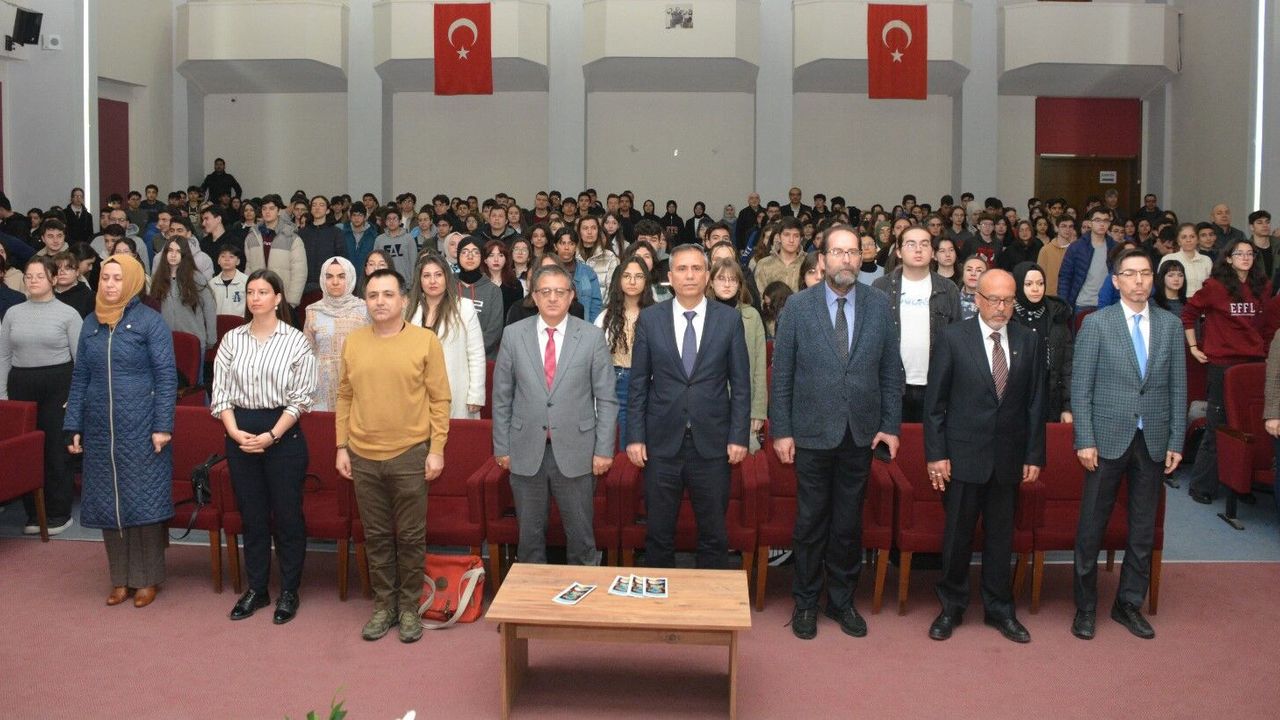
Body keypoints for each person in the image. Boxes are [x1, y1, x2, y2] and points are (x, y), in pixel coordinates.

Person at [770, 226, 903, 640]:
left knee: (848, 524)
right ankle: (806, 602)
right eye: (838, 252)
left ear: (861, 258)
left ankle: (842, 601)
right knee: (811, 522)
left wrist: (890, 425)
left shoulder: (878, 304)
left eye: (853, 252)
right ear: (823, 259)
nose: (846, 259)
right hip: (810, 433)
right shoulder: (798, 307)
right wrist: (782, 431)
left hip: (860, 434)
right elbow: (782, 375)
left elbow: (890, 371)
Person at [924, 269, 1045, 644]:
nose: (1001, 307)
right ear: (977, 299)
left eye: (1008, 300)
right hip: (962, 458)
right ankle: (951, 607)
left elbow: (1036, 403)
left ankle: (1000, 609)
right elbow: (934, 404)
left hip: (1009, 459)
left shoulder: (1029, 340)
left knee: (1000, 539)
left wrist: (1034, 455)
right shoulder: (953, 338)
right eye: (994, 299)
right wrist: (936, 454)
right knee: (957, 537)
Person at [1071, 248, 1186, 641]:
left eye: (1146, 273)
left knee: (1142, 529)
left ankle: (1128, 604)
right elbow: (1081, 389)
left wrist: (1176, 439)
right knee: (1092, 526)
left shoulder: (1170, 326)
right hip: (1105, 440)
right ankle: (1086, 607)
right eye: (1131, 274)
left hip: (1152, 439)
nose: (1139, 281)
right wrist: (1084, 439)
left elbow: (1178, 387)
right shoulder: (1096, 324)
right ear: (1116, 280)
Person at [336, 268, 451, 644]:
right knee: (377, 536)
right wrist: (341, 446)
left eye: (388, 295)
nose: (380, 302)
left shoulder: (425, 341)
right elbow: (345, 396)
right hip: (363, 455)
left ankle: (408, 608)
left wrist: (437, 450)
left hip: (410, 454)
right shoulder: (354, 342)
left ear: (404, 300)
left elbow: (440, 399)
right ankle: (384, 606)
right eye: (372, 295)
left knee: (412, 537)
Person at [626, 244, 751, 569]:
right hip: (661, 443)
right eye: (682, 269)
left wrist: (738, 436)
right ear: (670, 277)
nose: (690, 275)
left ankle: (710, 598)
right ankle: (660, 597)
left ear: (707, 275)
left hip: (713, 444)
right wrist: (635, 436)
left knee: (713, 534)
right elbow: (638, 383)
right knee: (658, 533)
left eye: (697, 268)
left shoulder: (729, 320)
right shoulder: (650, 319)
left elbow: (741, 384)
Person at [64, 254, 177, 608]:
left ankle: (146, 578)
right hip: (100, 426)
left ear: (132, 282)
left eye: (117, 278)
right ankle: (120, 578)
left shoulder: (150, 322)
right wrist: (73, 424)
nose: (110, 284)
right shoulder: (91, 323)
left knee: (142, 500)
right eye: (105, 278)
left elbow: (166, 377)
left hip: (142, 424)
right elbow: (80, 377)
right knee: (108, 500)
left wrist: (162, 426)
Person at [492, 263, 616, 565]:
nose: (552, 298)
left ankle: (582, 591)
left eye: (560, 292)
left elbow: (607, 399)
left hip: (578, 450)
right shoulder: (513, 335)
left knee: (582, 538)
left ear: (571, 296)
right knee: (529, 540)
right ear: (534, 296)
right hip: (525, 450)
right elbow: (502, 397)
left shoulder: (591, 337)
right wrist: (502, 447)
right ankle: (532, 593)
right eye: (545, 291)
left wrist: (603, 450)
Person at [213, 270, 317, 624]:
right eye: (250, 292)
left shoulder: (295, 341)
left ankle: (289, 590)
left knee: (288, 517)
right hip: (240, 434)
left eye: (263, 292)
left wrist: (272, 435)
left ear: (278, 298)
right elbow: (221, 393)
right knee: (252, 516)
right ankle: (257, 588)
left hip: (283, 435)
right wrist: (234, 432)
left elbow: (301, 398)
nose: (255, 298)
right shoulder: (232, 339)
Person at [1181, 238, 1275, 505]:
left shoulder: (1263, 287)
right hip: (1223, 364)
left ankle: (1241, 484)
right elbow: (1188, 314)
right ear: (1229, 259)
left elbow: (1265, 324)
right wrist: (1194, 347)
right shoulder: (1215, 286)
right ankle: (1201, 485)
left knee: (1248, 427)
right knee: (1217, 425)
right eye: (1239, 253)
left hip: (1254, 363)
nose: (1245, 257)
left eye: (1250, 253)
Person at [0, 256, 83, 535]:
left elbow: (81, 360)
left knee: (55, 449)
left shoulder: (68, 314)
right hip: (20, 384)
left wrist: (76, 395)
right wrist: (3, 394)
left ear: (53, 279)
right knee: (25, 449)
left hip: (58, 384)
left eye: (39, 276)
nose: (33, 280)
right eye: (29, 276)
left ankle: (58, 512)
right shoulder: (13, 313)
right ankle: (33, 513)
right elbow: (3, 356)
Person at [873, 227, 962, 423]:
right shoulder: (881, 288)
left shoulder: (949, 289)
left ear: (932, 252)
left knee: (931, 441)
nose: (918, 249)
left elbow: (958, 340)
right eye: (911, 244)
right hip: (891, 384)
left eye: (924, 244)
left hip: (935, 384)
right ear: (898, 251)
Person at [408, 254, 485, 419]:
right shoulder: (411, 311)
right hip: (418, 393)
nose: (432, 281)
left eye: (438, 275)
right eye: (426, 276)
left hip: (455, 390)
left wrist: (476, 394)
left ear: (446, 278)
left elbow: (476, 355)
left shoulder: (464, 307)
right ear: (419, 281)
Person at [596, 255, 654, 447]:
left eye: (638, 276)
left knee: (646, 435)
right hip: (616, 380)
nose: (632, 281)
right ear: (618, 280)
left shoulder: (657, 314)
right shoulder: (605, 316)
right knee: (620, 437)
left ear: (646, 281)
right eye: (627, 276)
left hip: (649, 382)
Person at [708, 259, 768, 445]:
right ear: (711, 282)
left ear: (740, 284)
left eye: (733, 279)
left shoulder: (752, 316)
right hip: (708, 405)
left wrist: (758, 410)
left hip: (743, 404)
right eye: (721, 278)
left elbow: (759, 367)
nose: (727, 284)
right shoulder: (702, 314)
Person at [304, 257, 368, 412]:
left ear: (350, 278)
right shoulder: (312, 311)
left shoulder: (364, 309)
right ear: (322, 279)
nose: (335, 282)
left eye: (341, 276)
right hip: (321, 387)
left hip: (355, 384)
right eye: (329, 276)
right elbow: (307, 353)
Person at [1011, 262, 1074, 422]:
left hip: (1050, 400)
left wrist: (1067, 407)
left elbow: (1068, 365)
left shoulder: (1057, 316)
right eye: (1028, 284)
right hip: (1015, 402)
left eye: (1040, 283)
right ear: (1017, 285)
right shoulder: (1008, 316)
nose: (1035, 289)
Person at [244, 195, 308, 308]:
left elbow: (299, 272)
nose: (267, 212)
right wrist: (248, 295)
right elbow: (249, 267)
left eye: (271, 208)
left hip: (283, 298)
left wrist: (292, 302)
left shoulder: (291, 237)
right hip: (257, 297)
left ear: (279, 211)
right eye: (264, 208)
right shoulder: (252, 237)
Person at [454, 236, 505, 358]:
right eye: (465, 252)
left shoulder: (493, 291)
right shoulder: (447, 285)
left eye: (475, 252)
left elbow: (494, 331)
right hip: (451, 356)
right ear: (458, 256)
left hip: (482, 358)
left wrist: (471, 352)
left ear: (482, 258)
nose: (470, 256)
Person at [1059, 208, 1117, 313]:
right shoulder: (1077, 247)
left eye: (1105, 220)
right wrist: (1064, 304)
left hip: (1107, 304)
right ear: (1090, 223)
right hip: (1082, 304)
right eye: (1098, 220)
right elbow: (1065, 277)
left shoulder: (1114, 247)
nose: (1102, 224)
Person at [552, 226, 602, 322]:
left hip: (584, 324)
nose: (567, 247)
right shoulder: (548, 270)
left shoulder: (588, 272)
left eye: (571, 244)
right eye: (562, 243)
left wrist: (590, 326)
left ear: (576, 247)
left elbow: (596, 303)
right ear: (555, 246)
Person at [1159, 223, 1213, 297]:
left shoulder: (1206, 260)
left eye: (1192, 236)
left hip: (1201, 302)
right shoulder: (1168, 258)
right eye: (1184, 237)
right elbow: (1161, 284)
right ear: (1178, 241)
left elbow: (1210, 286)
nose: (1188, 240)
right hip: (1177, 302)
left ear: (1197, 239)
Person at [482, 239, 525, 318]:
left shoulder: (514, 284)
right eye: (491, 255)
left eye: (501, 255)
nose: (496, 259)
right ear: (485, 260)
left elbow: (518, 313)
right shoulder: (479, 283)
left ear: (506, 259)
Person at [211, 244, 249, 317]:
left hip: (241, 322)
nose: (227, 259)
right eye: (223, 256)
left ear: (238, 261)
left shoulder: (246, 281)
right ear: (218, 261)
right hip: (218, 322)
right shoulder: (212, 283)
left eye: (231, 257)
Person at [957, 255, 987, 320]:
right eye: (969, 270)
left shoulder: (993, 301)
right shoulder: (952, 299)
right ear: (962, 275)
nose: (973, 273)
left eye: (979, 270)